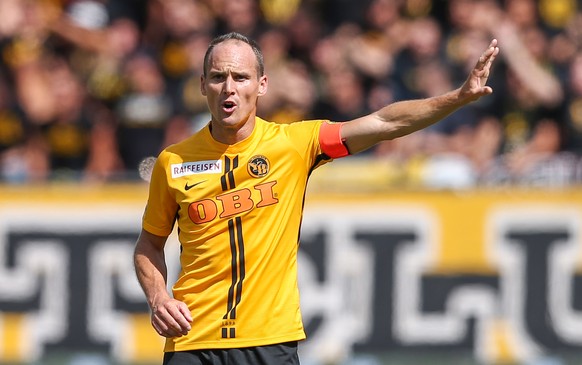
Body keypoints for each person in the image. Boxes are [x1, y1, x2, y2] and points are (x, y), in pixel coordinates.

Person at [133, 31, 499, 365]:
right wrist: (159, 299)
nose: (229, 88)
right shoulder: (174, 161)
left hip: (269, 341)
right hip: (191, 341)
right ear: (202, 85)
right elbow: (149, 243)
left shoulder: (293, 144)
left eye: (240, 77)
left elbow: (383, 123)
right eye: (217, 77)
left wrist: (456, 98)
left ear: (261, 85)